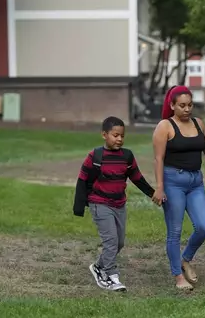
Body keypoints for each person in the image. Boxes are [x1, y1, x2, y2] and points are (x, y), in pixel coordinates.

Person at [151, 85, 205, 290]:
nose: (187, 109)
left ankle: (185, 259)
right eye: (182, 105)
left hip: (196, 182)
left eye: (190, 105)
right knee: (175, 231)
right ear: (172, 105)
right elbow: (158, 159)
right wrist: (159, 187)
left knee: (203, 227)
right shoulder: (165, 126)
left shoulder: (199, 124)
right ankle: (178, 277)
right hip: (172, 182)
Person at [73, 116, 157, 292]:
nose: (119, 139)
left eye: (122, 136)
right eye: (115, 135)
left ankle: (98, 266)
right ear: (104, 135)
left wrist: (152, 193)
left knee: (119, 243)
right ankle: (112, 276)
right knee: (111, 241)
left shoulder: (127, 156)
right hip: (100, 203)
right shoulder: (95, 156)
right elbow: (82, 180)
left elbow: (137, 178)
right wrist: (79, 206)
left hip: (119, 205)